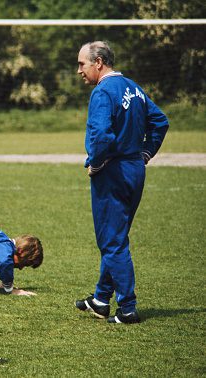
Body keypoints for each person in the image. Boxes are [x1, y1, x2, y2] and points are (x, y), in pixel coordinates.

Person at [74, 41, 169, 324]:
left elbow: (101, 137)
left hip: (112, 172)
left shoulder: (102, 92)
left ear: (99, 62)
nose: (79, 70)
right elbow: (160, 121)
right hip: (134, 170)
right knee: (116, 237)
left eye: (82, 64)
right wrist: (146, 152)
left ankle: (127, 308)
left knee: (112, 242)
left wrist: (96, 162)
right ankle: (102, 299)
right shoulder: (134, 87)